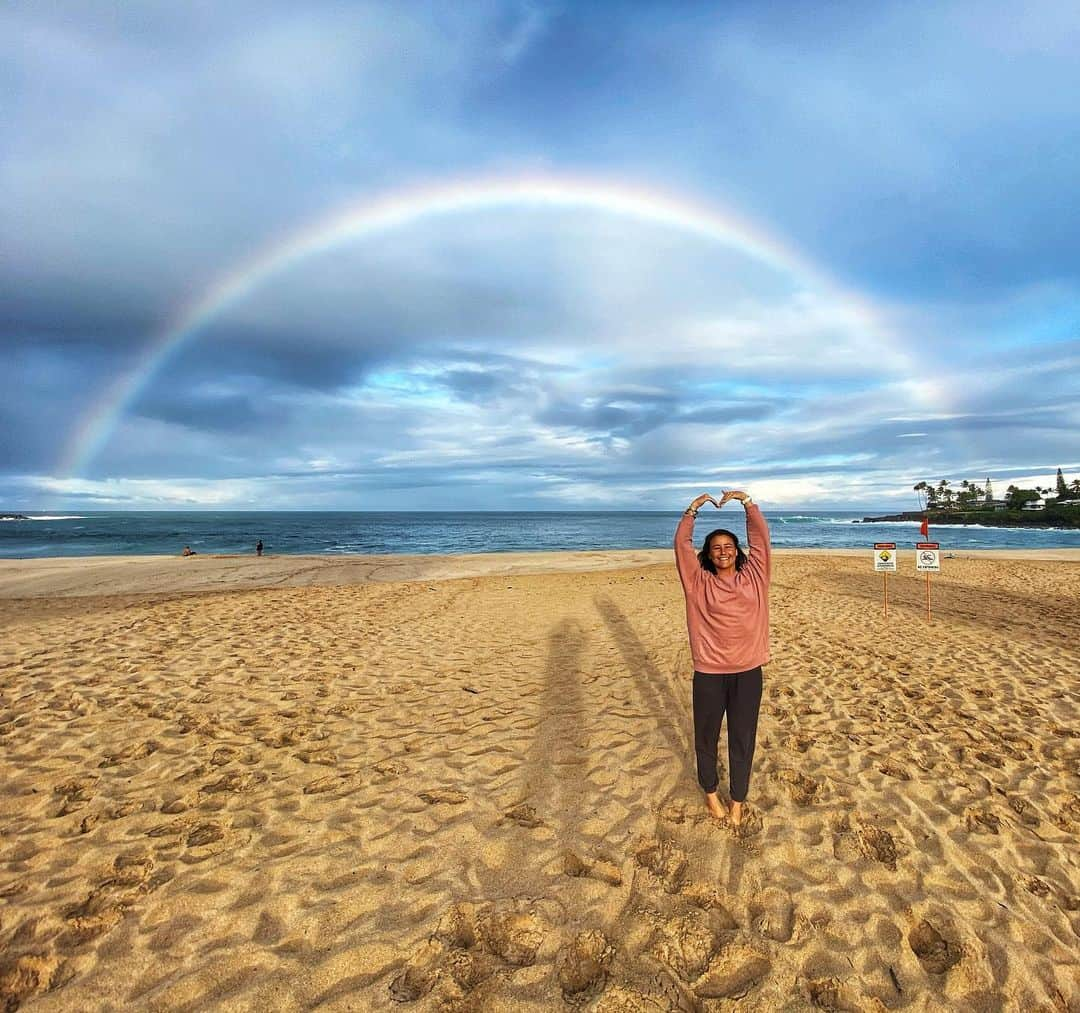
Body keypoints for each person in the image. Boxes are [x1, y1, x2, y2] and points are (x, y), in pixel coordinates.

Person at [674, 489, 771, 826]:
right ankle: (711, 792)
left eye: (728, 546)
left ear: (736, 551)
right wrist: (692, 510)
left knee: (743, 738)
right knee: (706, 736)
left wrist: (747, 503)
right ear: (708, 554)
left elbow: (761, 541)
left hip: (748, 672)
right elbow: (681, 547)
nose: (723, 551)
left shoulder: (756, 578)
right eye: (716, 548)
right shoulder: (697, 583)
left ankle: (739, 799)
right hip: (710, 673)